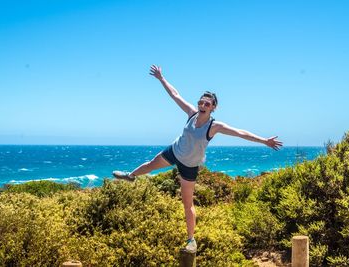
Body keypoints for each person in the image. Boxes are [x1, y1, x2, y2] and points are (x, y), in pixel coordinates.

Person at [113, 65, 283, 253]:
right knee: (152, 163)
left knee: (187, 203)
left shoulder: (215, 126)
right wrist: (162, 79)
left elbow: (240, 133)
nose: (202, 106)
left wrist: (264, 141)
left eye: (207, 104)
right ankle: (131, 175)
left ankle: (191, 240)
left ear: (213, 108)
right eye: (201, 102)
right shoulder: (191, 113)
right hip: (175, 151)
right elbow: (175, 95)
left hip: (189, 166)